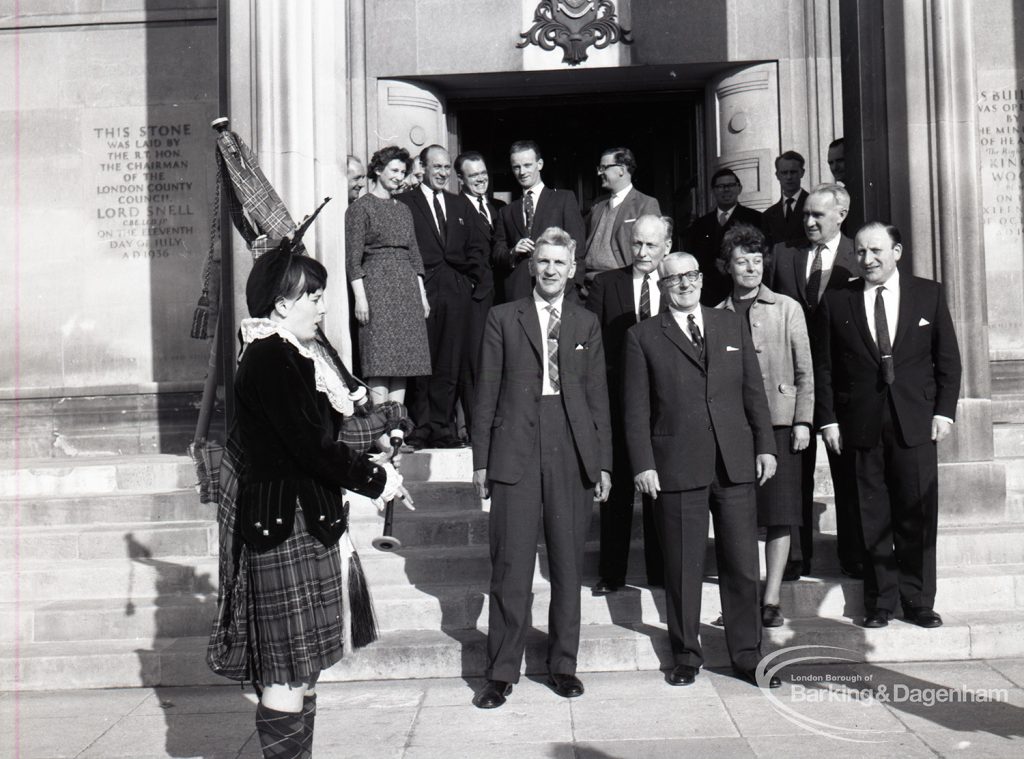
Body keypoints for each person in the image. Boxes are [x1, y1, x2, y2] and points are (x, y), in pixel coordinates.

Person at [233, 250, 410, 757]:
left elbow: (322, 430)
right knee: (289, 670)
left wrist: (377, 430)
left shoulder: (291, 355)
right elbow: (310, 447)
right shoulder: (271, 357)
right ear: (281, 305)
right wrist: (376, 480)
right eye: (312, 296)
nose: (322, 307)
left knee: (303, 667)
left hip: (305, 526)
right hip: (286, 528)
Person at [623, 252, 780, 689]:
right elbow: (635, 409)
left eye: (691, 275)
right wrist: (643, 465)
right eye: (674, 279)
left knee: (743, 565)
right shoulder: (643, 336)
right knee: (682, 567)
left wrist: (765, 446)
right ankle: (687, 655)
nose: (684, 284)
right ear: (661, 286)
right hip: (676, 465)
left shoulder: (730, 324)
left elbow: (754, 391)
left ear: (701, 278)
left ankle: (748, 655)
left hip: (733, 463)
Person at [471, 227, 612, 709]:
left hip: (570, 446)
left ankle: (563, 665)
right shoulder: (502, 318)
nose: (551, 270)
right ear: (533, 266)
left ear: (572, 269)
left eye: (560, 262)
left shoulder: (585, 323)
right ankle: (501, 671)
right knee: (510, 564)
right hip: (515, 448)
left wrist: (603, 463)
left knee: (568, 564)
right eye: (544, 261)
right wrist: (481, 460)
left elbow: (598, 398)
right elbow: (485, 390)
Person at [813, 222, 962, 629]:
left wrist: (943, 413)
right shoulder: (838, 300)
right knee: (871, 514)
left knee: (916, 511)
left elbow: (947, 359)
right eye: (860, 252)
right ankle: (880, 601)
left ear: (897, 251)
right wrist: (827, 419)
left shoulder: (927, 294)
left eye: (876, 250)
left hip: (914, 422)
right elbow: (824, 368)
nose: (868, 259)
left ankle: (918, 600)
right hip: (860, 424)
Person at [716, 223, 813, 628]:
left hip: (778, 422)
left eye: (757, 260)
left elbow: (806, 370)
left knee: (779, 514)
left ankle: (771, 598)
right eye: (742, 261)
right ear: (727, 266)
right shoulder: (716, 314)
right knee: (737, 517)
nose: (751, 268)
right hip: (733, 428)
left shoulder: (787, 307)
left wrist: (803, 421)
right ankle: (740, 600)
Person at [768, 183, 862, 581]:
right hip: (793, 382)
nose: (808, 221)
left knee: (850, 474)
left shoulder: (859, 256)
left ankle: (854, 556)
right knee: (794, 474)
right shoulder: (783, 254)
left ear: (840, 214)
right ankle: (795, 557)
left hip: (843, 383)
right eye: (805, 214)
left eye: (817, 215)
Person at [585, 214, 670, 594]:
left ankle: (660, 571)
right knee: (617, 491)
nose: (642, 252)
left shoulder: (675, 284)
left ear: (666, 246)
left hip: (667, 404)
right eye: (637, 243)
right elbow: (596, 347)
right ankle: (612, 573)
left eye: (651, 245)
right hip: (620, 401)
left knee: (661, 488)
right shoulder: (607, 284)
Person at [397, 145, 488, 450]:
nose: (442, 173)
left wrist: (469, 281)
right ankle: (421, 427)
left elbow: (477, 247)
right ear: (421, 168)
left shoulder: (460, 205)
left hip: (456, 289)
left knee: (450, 361)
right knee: (423, 359)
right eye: (436, 167)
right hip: (421, 288)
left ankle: (443, 427)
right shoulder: (404, 202)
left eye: (447, 167)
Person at [345, 145, 431, 405]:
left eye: (403, 172)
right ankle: (379, 434)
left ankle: (395, 431)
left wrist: (422, 297)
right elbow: (353, 258)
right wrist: (361, 298)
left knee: (402, 364)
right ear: (379, 170)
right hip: (377, 289)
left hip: (406, 289)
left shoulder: (404, 210)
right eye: (394, 170)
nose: (399, 176)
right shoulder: (360, 208)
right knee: (379, 363)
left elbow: (415, 256)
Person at [492, 140, 586, 303]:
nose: (522, 172)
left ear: (540, 164)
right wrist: (513, 252)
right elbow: (497, 253)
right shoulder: (506, 211)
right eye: (516, 167)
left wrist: (573, 287)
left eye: (527, 165)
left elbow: (578, 248)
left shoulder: (563, 199)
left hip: (559, 291)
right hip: (519, 294)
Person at [454, 150, 503, 440]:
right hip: (474, 297)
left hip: (502, 295)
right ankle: (475, 429)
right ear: (460, 179)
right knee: (474, 362)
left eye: (483, 173)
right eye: (473, 175)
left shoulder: (499, 207)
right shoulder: (455, 208)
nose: (480, 179)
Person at [682, 167, 765, 306]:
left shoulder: (756, 219)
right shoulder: (700, 224)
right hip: (709, 297)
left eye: (731, 185)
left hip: (742, 293)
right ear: (713, 191)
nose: (726, 190)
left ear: (739, 188)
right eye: (720, 186)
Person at [583, 147, 661, 281]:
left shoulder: (646, 203)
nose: (599, 173)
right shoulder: (598, 204)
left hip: (621, 281)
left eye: (603, 168)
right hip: (589, 282)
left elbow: (653, 250)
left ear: (621, 170)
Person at [763, 150, 808, 245]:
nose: (789, 177)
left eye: (793, 172)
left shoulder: (815, 204)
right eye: (784, 173)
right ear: (777, 175)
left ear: (802, 173)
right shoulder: (768, 215)